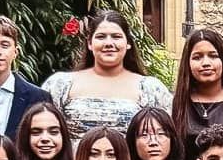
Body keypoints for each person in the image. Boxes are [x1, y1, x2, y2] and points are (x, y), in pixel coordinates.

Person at [43, 10, 170, 140]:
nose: (109, 43)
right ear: (90, 44)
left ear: (128, 43)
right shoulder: (60, 85)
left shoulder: (151, 89)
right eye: (101, 37)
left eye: (116, 36)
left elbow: (167, 138)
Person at [171, 28, 223, 160]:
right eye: (197, 57)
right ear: (187, 63)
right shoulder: (175, 105)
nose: (206, 63)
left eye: (213, 56)